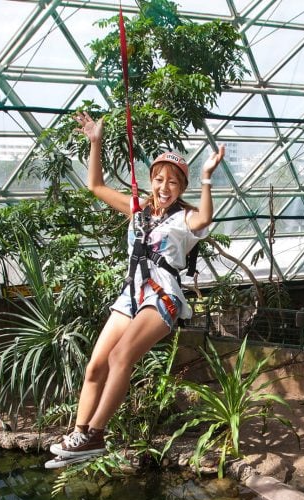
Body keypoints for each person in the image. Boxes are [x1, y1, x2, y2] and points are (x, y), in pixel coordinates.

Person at [45, 112, 226, 468]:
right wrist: (95, 141)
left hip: (162, 295)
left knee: (119, 358)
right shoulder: (139, 209)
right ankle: (80, 433)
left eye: (173, 182)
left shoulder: (185, 217)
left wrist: (205, 178)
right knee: (95, 366)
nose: (164, 186)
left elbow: (204, 219)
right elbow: (95, 186)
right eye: (159, 179)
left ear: (182, 188)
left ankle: (96, 434)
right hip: (131, 294)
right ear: (151, 181)